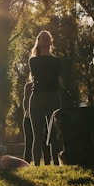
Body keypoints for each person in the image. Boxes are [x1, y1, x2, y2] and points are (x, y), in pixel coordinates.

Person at [29, 30, 62, 166]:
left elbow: (54, 77)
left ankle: (56, 163)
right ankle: (36, 164)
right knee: (38, 134)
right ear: (38, 41)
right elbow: (39, 76)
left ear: (51, 41)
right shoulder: (33, 61)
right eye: (42, 37)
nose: (44, 39)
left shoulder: (56, 61)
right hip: (37, 96)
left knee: (55, 133)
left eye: (47, 37)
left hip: (53, 95)